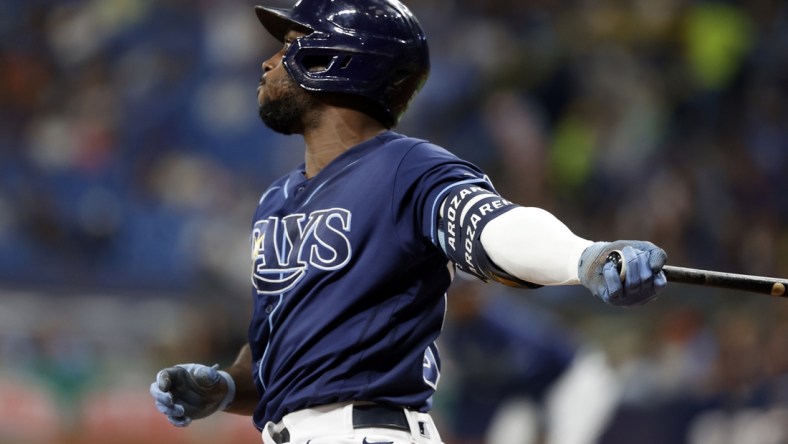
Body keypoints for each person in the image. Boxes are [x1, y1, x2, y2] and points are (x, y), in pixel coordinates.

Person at [149, 1, 668, 443]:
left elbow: (493, 227)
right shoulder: (277, 200)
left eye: (288, 45)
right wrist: (223, 387)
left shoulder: (407, 167)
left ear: (335, 57)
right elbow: (276, 365)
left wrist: (583, 256)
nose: (267, 63)